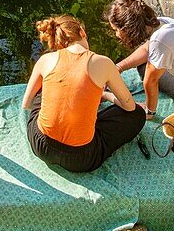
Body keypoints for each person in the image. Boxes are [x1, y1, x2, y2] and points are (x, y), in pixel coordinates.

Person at [22, 15, 145, 173]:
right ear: (82, 32)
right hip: (81, 159)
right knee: (137, 114)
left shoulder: (46, 59)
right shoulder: (104, 63)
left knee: (43, 87)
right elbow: (129, 107)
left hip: (40, 145)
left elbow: (26, 103)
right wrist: (105, 95)